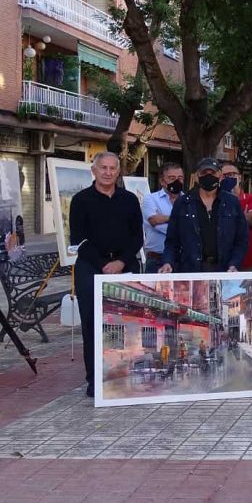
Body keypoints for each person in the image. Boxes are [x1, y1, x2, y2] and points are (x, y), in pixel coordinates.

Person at [69, 152, 143, 397]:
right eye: (103, 168)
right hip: (92, 266)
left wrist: (121, 261)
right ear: (94, 170)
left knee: (128, 322)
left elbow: (137, 237)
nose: (108, 172)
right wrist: (104, 264)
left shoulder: (130, 200)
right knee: (92, 324)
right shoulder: (80, 200)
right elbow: (79, 239)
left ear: (118, 171)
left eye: (113, 168)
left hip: (124, 264)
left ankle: (127, 374)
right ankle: (95, 380)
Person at [160, 158, 248, 273]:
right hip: (191, 270)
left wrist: (234, 263)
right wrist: (168, 262)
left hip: (225, 270)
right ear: (196, 176)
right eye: (204, 173)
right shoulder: (183, 203)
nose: (208, 176)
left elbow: (241, 239)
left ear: (220, 176)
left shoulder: (232, 202)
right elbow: (172, 241)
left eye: (213, 173)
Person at [221, 162, 252, 271]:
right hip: (224, 265)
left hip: (251, 264)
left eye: (231, 174)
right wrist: (242, 217)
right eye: (224, 176)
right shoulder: (216, 202)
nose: (228, 178)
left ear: (239, 177)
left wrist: (225, 219)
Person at [141, 162, 184, 273]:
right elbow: (154, 221)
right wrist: (179, 220)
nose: (177, 181)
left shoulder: (189, 200)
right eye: (171, 178)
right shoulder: (150, 199)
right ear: (162, 181)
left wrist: (165, 219)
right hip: (157, 260)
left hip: (183, 260)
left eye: (180, 178)